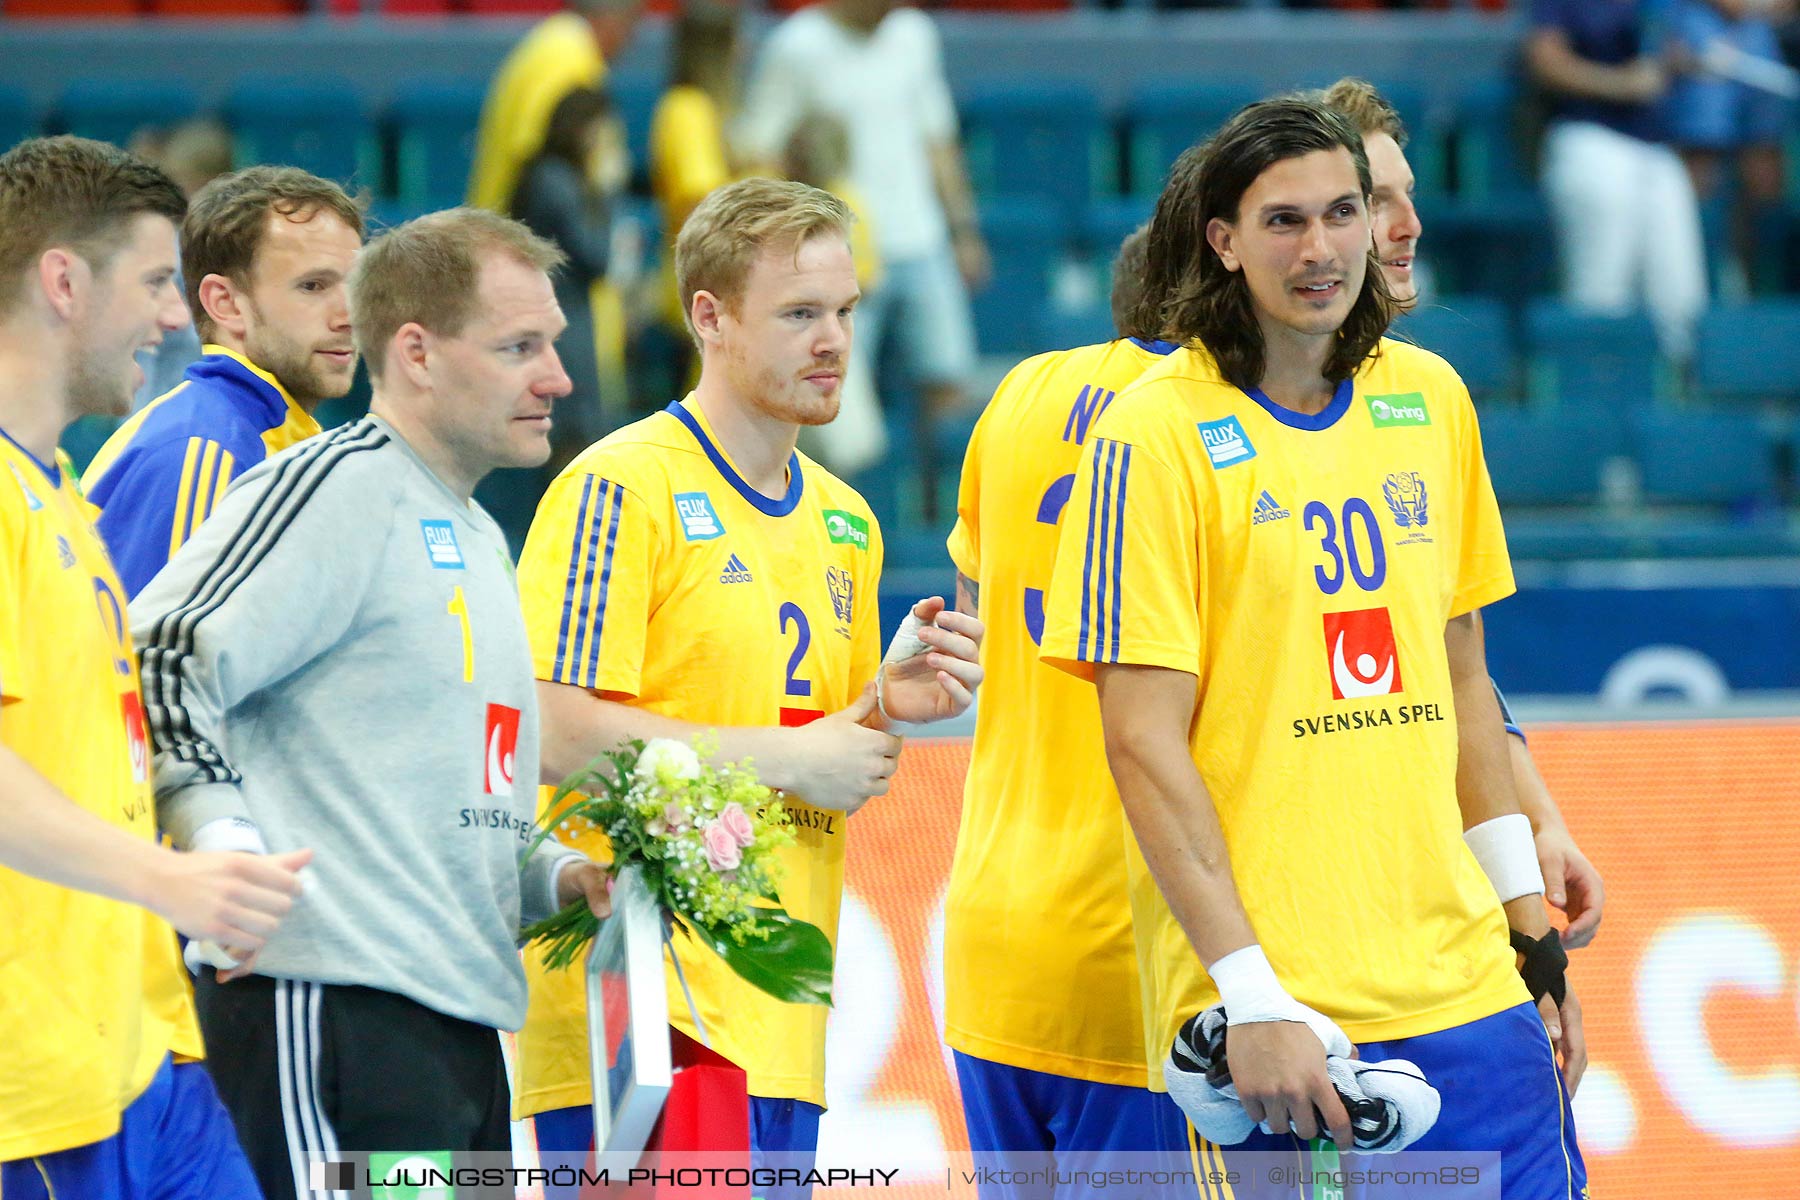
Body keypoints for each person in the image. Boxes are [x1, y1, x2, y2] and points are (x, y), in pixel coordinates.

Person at [1040, 100, 1586, 1196]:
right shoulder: (1149, 437)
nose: (1322, 247)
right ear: (1223, 242)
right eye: (1283, 221)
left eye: (1344, 212)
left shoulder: (1430, 399)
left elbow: (1464, 684)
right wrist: (1250, 994)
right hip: (1291, 1022)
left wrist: (1533, 942)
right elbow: (1142, 746)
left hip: (1469, 987)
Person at [510, 177, 985, 1195]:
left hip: (785, 1023)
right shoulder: (619, 487)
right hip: (649, 1018)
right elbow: (550, 732)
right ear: (710, 318)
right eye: (800, 313)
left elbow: (809, 765)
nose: (835, 340)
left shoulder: (848, 523)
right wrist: (799, 754)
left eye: (846, 311)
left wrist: (877, 709)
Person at [129, 207, 612, 1200]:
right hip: (338, 1012)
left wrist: (555, 876)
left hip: (459, 1029)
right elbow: (162, 651)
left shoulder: (476, 534)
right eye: (520, 346)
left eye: (554, 345)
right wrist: (219, 836)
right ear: (419, 355)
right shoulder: (337, 487)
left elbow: (439, 791)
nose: (557, 379)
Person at [0, 134, 308, 1200]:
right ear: (61, 283)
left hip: (146, 1060)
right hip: (35, 1090)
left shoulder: (62, 496)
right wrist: (175, 881)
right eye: (152, 283)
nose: (175, 317)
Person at [1321, 76, 1604, 948]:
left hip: (1428, 889)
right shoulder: (1200, 421)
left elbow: (1454, 666)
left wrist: (1536, 824)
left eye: (1410, 196)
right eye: (1376, 202)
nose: (1408, 227)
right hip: (1299, 904)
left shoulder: (1424, 394)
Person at [942, 225, 1188, 1199]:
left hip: (996, 942)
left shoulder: (1018, 394)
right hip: (1141, 961)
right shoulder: (1208, 422)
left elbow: (971, 613)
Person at [735, 0, 990, 508]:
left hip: (922, 240)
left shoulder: (915, 34)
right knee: (835, 405)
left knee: (946, 387)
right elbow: (758, 147)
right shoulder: (797, 46)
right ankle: (834, 525)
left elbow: (936, 138)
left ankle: (938, 516)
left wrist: (962, 230)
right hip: (837, 258)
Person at [84, 165, 364, 598]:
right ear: (226, 303)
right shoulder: (206, 451)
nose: (348, 317)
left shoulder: (271, 439)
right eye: (312, 286)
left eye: (356, 286)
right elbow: (158, 660)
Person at [1527, 0, 1708, 358]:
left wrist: (1681, 61)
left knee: (1681, 293)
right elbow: (1544, 60)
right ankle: (1591, 394)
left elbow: (1657, 50)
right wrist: (1620, 83)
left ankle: (1677, 397)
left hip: (1655, 147)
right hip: (1589, 137)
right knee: (1601, 290)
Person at [511, 86, 624, 481]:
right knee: (572, 446)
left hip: (564, 318)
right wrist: (608, 192)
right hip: (562, 325)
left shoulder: (546, 174)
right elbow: (598, 256)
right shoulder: (556, 182)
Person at [1665, 0, 1795, 296]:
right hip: (1700, 34)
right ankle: (1701, 283)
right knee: (1702, 164)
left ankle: (1757, 289)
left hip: (1757, 39)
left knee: (1763, 175)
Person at [467, 0, 645, 216]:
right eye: (631, 25)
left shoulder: (553, 40)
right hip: (511, 224)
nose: (630, 40)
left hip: (496, 217)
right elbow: (531, 154)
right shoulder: (571, 60)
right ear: (611, 21)